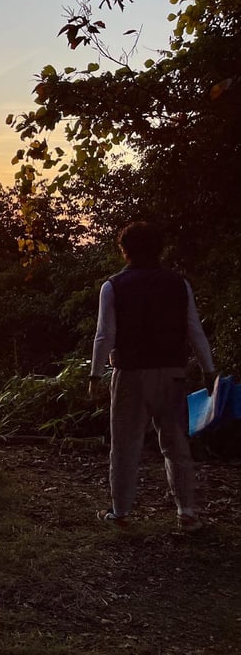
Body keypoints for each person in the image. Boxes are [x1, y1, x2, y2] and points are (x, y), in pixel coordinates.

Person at [90, 222, 215, 531]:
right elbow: (194, 330)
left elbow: (105, 335)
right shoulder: (178, 284)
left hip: (130, 374)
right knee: (176, 444)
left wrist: (95, 374)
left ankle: (120, 512)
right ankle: (187, 512)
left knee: (125, 444)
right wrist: (208, 369)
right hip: (172, 373)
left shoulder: (113, 286)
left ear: (124, 250)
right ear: (160, 248)